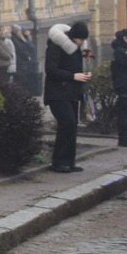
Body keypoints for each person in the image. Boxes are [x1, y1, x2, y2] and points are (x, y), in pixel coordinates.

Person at [43, 21, 92, 173]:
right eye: (80, 39)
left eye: (83, 40)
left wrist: (84, 74)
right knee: (67, 124)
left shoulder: (78, 49)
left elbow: (78, 68)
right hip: (57, 93)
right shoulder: (55, 47)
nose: (82, 42)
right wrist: (73, 76)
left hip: (72, 93)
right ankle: (59, 162)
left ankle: (69, 161)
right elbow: (51, 70)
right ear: (73, 36)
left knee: (72, 126)